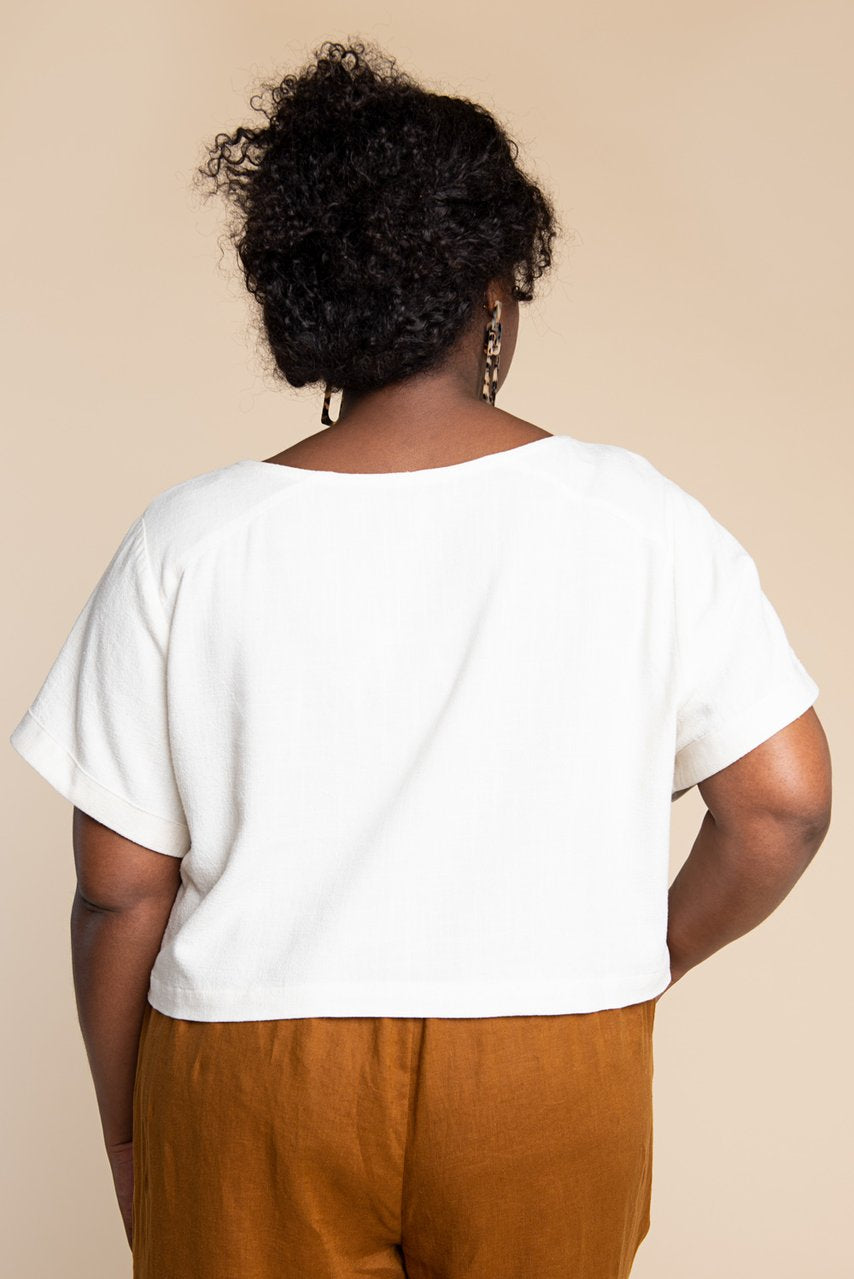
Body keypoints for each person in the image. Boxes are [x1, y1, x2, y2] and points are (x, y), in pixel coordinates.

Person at [9, 37, 831, 1279]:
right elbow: (782, 803)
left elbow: (120, 888)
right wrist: (639, 958)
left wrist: (131, 1131)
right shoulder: (637, 518)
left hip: (253, 1070)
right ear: (493, 297)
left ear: (304, 300)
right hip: (550, 1065)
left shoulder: (190, 540)